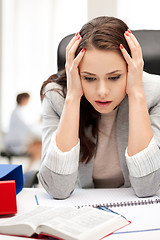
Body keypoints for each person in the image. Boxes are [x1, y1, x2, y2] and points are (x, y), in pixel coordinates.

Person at [39, 16, 160, 199]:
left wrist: (136, 94)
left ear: (131, 69)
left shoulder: (154, 93)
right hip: (80, 212)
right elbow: (58, 189)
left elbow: (147, 187)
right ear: (76, 72)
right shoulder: (57, 96)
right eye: (89, 78)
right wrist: (73, 97)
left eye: (114, 77)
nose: (102, 92)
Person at [5, 92, 42, 171]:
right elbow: (27, 128)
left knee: (40, 146)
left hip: (19, 142)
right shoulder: (17, 113)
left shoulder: (19, 111)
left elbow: (27, 127)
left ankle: (27, 171)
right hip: (15, 144)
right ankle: (27, 172)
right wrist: (38, 123)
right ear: (23, 100)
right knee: (40, 147)